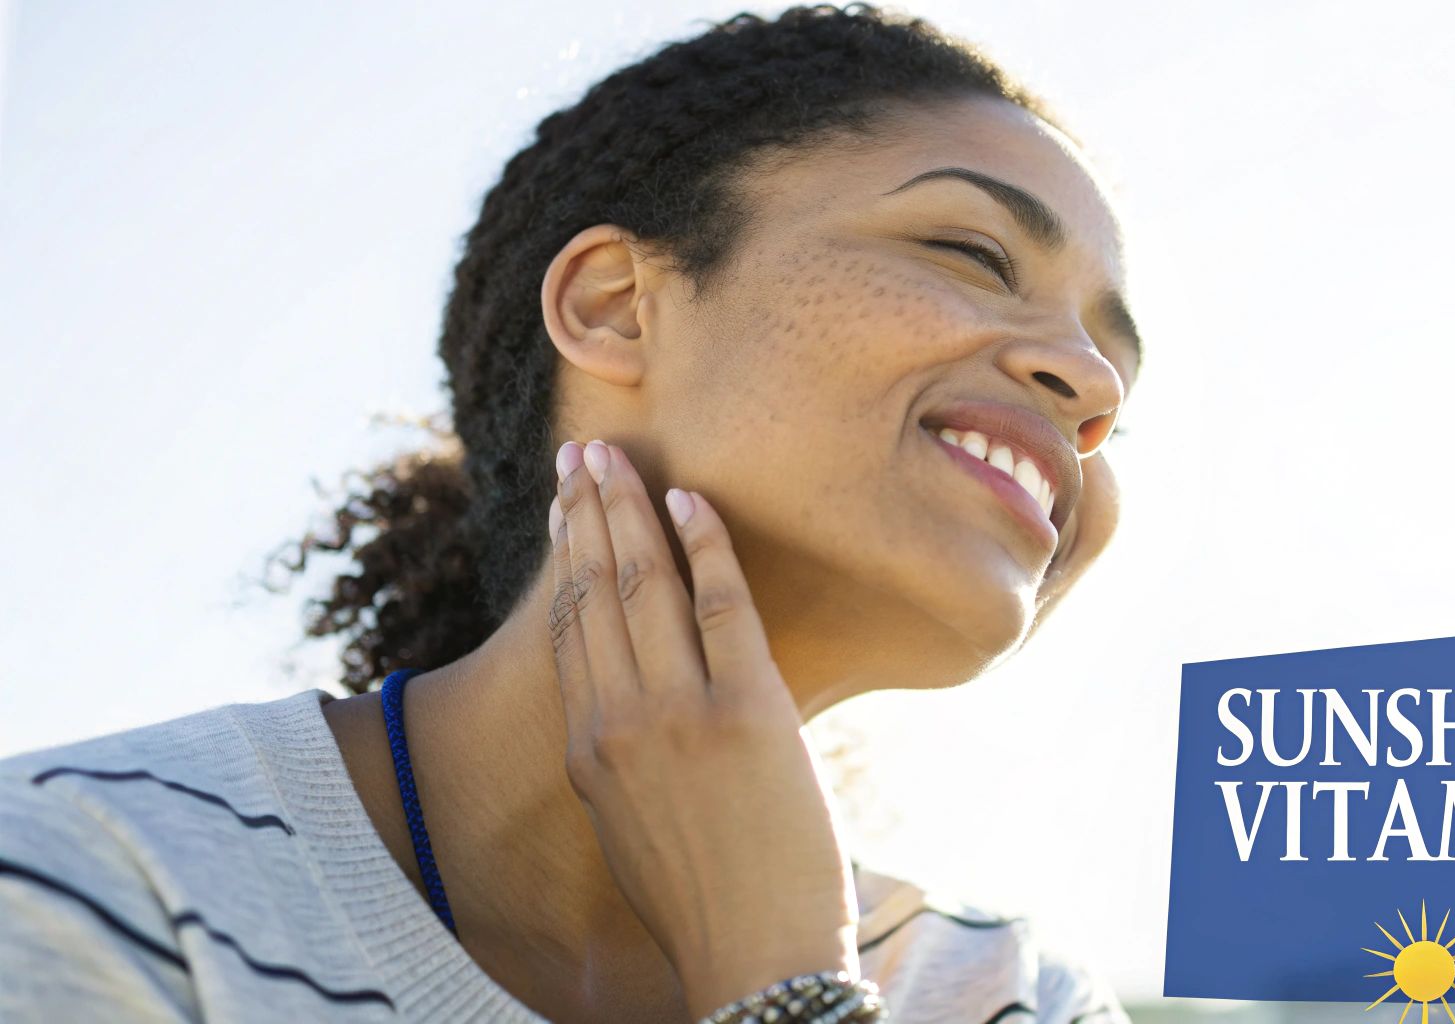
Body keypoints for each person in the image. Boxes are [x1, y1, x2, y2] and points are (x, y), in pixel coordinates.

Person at [0, 4, 1143, 1021]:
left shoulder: (1008, 996)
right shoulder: (84, 877)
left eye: (1118, 378)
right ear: (613, 308)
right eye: (969, 252)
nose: (1091, 387)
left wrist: (779, 978)